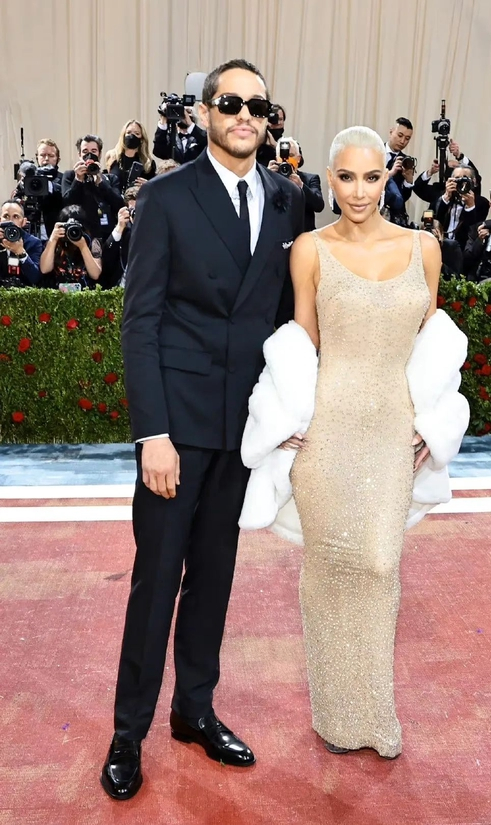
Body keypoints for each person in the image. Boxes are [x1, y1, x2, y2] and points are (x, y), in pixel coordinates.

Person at [101, 58, 304, 801]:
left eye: (258, 105)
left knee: (214, 578)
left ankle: (194, 710)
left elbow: (286, 321)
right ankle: (128, 733)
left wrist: (290, 413)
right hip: (177, 430)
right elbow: (141, 322)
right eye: (231, 102)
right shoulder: (164, 197)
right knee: (157, 583)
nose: (246, 115)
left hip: (243, 428)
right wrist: (152, 432)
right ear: (205, 113)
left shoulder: (289, 200)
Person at [287, 126, 441, 759]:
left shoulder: (424, 247)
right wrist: (284, 416)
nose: (358, 190)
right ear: (330, 179)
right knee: (329, 569)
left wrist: (435, 420)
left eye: (371, 177)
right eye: (346, 177)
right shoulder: (309, 249)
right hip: (327, 430)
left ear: (387, 178)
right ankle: (335, 715)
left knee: (379, 564)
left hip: (390, 430)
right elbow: (302, 343)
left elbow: (433, 350)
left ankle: (374, 714)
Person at [62, 134, 124, 241]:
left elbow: (119, 204)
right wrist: (78, 180)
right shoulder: (70, 176)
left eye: (94, 151)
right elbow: (67, 203)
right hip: (80, 233)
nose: (89, 155)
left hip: (106, 234)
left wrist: (101, 182)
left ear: (99, 154)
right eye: (85, 151)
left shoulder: (110, 178)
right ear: (79, 155)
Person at [268, 137, 324, 231]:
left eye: (291, 155)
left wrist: (301, 186)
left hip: (303, 234)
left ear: (298, 158)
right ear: (276, 158)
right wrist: (266, 177)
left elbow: (319, 206)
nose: (286, 160)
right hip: (276, 233)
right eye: (282, 156)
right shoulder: (269, 179)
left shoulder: (310, 179)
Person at [39, 205, 102, 289]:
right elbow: (44, 269)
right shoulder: (55, 242)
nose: (73, 231)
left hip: (85, 293)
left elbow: (95, 274)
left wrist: (83, 247)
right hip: (57, 293)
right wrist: (53, 239)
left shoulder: (91, 243)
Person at [434, 163, 489, 250]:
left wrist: (470, 207)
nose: (461, 182)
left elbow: (473, 232)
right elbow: (436, 221)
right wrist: (446, 197)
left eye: (465, 178)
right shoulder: (443, 198)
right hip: (441, 246)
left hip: (464, 250)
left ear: (474, 182)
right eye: (457, 179)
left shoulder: (482, 202)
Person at [100, 186, 138, 288]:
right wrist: (119, 227)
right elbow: (106, 258)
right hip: (123, 287)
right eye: (133, 210)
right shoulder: (124, 230)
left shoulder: (156, 229)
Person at [104, 120, 156, 193]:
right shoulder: (112, 156)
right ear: (123, 135)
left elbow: (155, 189)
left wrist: (148, 186)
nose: (132, 136)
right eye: (128, 132)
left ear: (142, 138)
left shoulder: (148, 162)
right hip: (116, 198)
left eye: (137, 133)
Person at [0, 200, 42, 286]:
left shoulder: (33, 242)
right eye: (6, 216)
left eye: (15, 216)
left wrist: (21, 252)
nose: (10, 221)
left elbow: (35, 278)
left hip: (24, 290)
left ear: (23, 222)